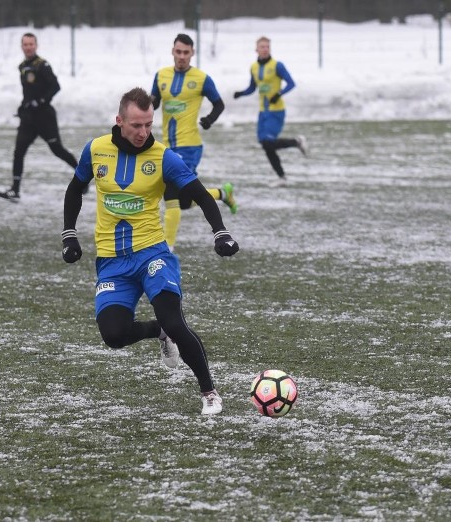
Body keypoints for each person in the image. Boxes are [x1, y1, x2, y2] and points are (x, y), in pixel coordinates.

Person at [60, 87, 240, 415]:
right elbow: (75, 189)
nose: (144, 132)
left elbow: (199, 195)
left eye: (148, 124)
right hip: (112, 261)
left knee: (175, 320)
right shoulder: (96, 150)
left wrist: (221, 233)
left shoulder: (162, 156)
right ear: (119, 121)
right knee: (113, 335)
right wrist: (69, 235)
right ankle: (157, 331)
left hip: (152, 254)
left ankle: (209, 392)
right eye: (136, 125)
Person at [151, 33, 238, 252]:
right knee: (184, 202)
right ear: (172, 51)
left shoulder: (202, 78)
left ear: (192, 53)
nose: (181, 56)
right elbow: (153, 102)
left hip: (189, 146)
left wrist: (209, 120)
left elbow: (219, 104)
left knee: (170, 194)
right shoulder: (161, 75)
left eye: (186, 53)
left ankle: (167, 247)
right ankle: (222, 193)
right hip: (166, 147)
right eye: (178, 51)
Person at [0, 33, 79, 202]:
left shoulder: (42, 65)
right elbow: (28, 92)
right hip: (29, 119)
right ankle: (15, 189)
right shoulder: (22, 66)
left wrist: (41, 100)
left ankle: (83, 177)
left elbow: (56, 86)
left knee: (57, 150)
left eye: (31, 44)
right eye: (25, 44)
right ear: (22, 47)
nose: (28, 47)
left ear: (36, 46)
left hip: (45, 117)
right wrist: (23, 107)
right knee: (18, 151)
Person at [234, 36, 307, 184]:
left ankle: (297, 141)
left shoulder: (277, 66)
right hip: (263, 112)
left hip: (276, 111)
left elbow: (291, 83)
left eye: (267, 46)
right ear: (256, 49)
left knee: (268, 142)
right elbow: (252, 88)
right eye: (262, 47)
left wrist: (278, 94)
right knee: (266, 146)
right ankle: (282, 177)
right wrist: (241, 93)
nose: (265, 49)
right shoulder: (254, 67)